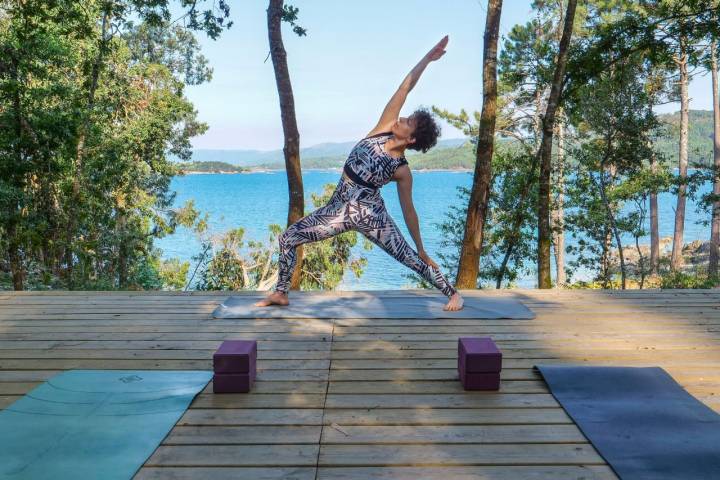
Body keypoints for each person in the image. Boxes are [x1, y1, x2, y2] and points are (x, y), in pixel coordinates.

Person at [255, 35, 464, 312]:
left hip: (371, 216)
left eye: (408, 122)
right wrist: (427, 58)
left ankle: (453, 294)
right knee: (288, 238)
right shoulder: (383, 128)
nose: (401, 119)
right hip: (337, 210)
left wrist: (422, 247)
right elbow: (405, 87)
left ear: (412, 139)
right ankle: (280, 293)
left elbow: (409, 211)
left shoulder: (401, 171)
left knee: (408, 257)